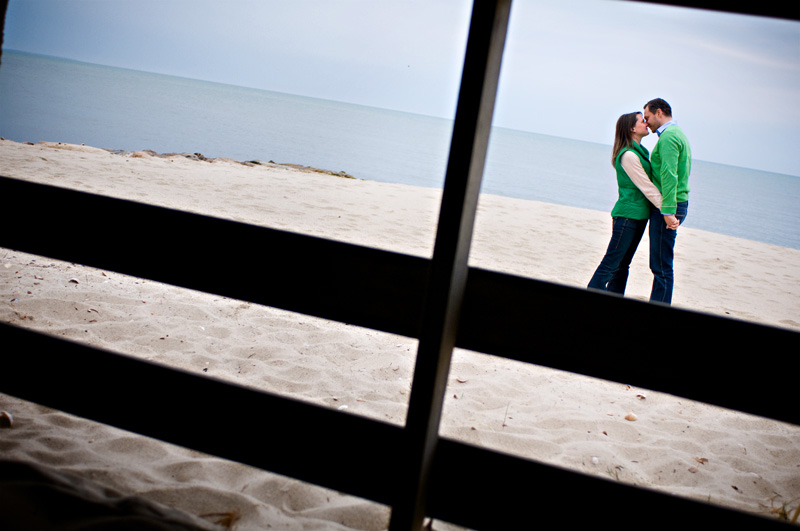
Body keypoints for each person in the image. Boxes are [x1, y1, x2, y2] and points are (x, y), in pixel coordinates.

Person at [588, 111, 664, 294]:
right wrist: (666, 209)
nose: (646, 123)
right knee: (610, 264)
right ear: (632, 128)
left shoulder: (639, 152)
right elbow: (646, 187)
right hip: (627, 217)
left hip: (638, 216)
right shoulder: (629, 155)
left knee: (622, 265)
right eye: (642, 121)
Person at [642, 98, 690, 304]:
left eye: (648, 117)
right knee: (661, 264)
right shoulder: (675, 133)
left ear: (659, 112)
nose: (646, 123)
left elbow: (670, 175)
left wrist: (668, 211)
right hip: (674, 203)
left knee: (661, 266)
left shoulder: (669, 137)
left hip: (669, 205)